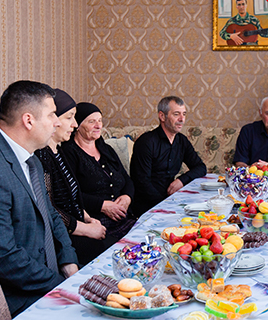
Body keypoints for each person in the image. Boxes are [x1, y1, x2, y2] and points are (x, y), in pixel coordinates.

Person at [0, 80, 78, 316]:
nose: (57, 122)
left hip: (44, 274)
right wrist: (60, 285)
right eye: (52, 114)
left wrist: (68, 261)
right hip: (14, 294)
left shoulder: (31, 158)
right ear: (28, 120)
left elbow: (51, 215)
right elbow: (4, 257)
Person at [35, 89, 109, 266]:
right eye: (69, 117)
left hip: (79, 225)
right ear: (53, 120)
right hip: (64, 238)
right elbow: (51, 209)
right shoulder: (42, 156)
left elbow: (72, 197)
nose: (75, 124)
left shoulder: (59, 151)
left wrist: (87, 218)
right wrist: (86, 229)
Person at [61, 102, 136, 247]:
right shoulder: (68, 153)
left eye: (100, 121)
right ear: (78, 125)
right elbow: (70, 194)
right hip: (96, 224)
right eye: (91, 122)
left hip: (124, 218)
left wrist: (127, 197)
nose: (98, 126)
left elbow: (127, 179)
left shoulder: (106, 149)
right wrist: (102, 206)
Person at [130, 96, 207, 217]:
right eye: (176, 114)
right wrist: (166, 205)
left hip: (170, 200)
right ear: (162, 116)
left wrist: (181, 180)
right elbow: (142, 183)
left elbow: (201, 167)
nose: (182, 119)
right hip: (147, 206)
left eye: (184, 114)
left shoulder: (181, 141)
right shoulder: (146, 142)